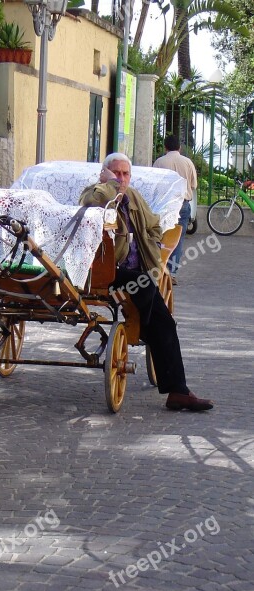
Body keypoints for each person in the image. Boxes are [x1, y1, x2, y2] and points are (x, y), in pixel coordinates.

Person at [79, 152, 213, 411]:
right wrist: (108, 185)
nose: (121, 178)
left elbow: (153, 226)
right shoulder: (94, 192)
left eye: (125, 173)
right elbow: (93, 202)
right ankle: (172, 379)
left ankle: (177, 391)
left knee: (162, 317)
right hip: (105, 273)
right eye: (115, 173)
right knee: (156, 310)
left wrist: (149, 246)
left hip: (135, 274)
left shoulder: (135, 198)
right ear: (104, 173)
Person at [153, 134, 198, 285]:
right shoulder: (187, 162)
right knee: (178, 239)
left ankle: (159, 268)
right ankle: (172, 272)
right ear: (179, 147)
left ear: (165, 147)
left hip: (164, 205)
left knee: (161, 237)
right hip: (182, 204)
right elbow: (193, 185)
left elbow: (155, 184)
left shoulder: (159, 162)